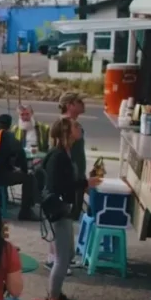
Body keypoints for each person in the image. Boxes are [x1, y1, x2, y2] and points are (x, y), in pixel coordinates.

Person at [43, 117, 101, 300]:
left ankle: (55, 294)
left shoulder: (65, 153)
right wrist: (84, 183)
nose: (80, 128)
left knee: (67, 254)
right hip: (59, 210)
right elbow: (58, 186)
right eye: (76, 126)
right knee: (62, 258)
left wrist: (84, 181)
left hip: (64, 208)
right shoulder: (58, 156)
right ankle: (53, 299)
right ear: (67, 132)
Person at [59, 92, 87, 220]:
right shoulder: (67, 124)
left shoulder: (72, 123)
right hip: (73, 171)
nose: (83, 104)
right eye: (79, 102)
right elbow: (65, 148)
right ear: (70, 105)